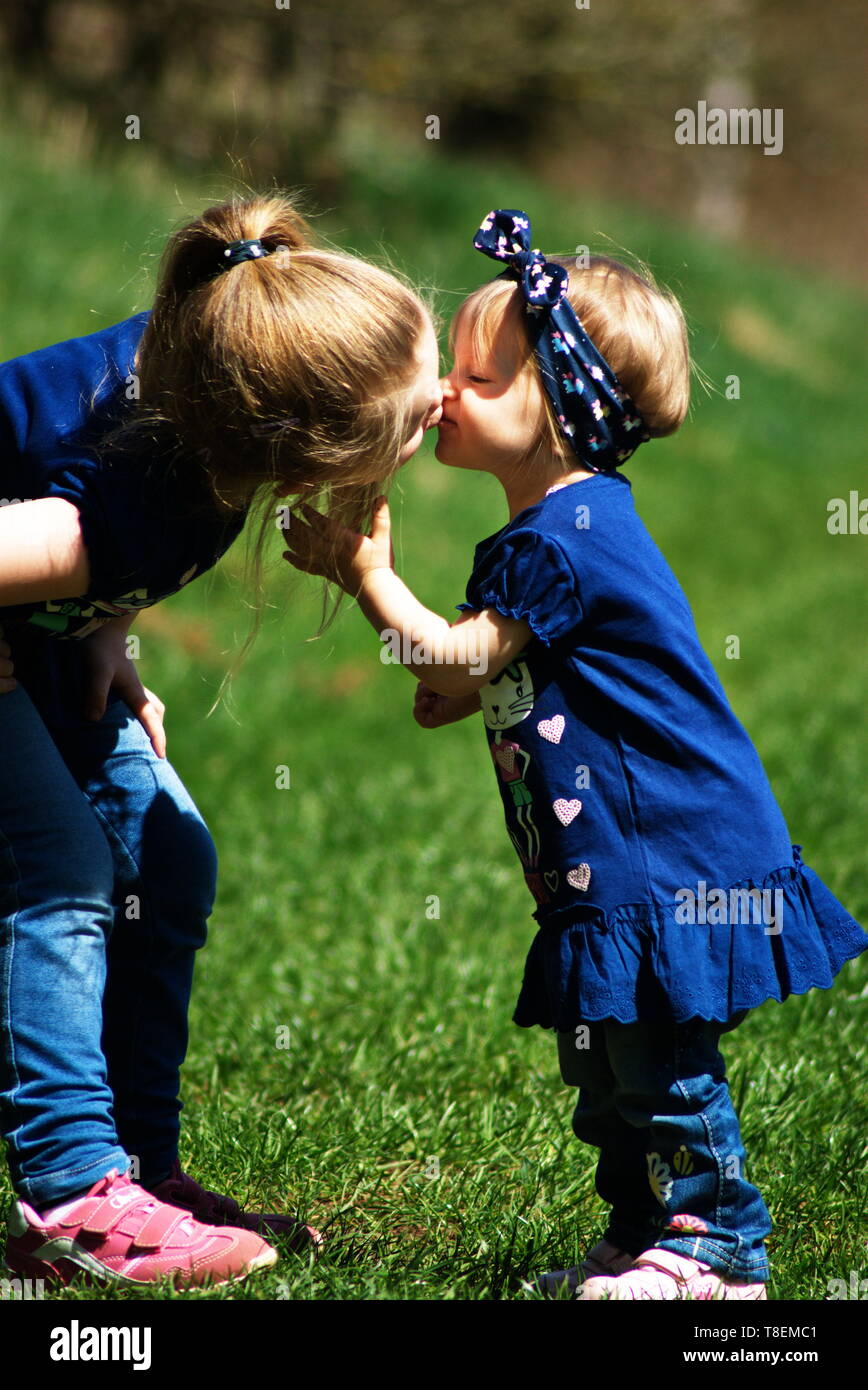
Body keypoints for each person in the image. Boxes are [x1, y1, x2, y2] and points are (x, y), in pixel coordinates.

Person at [281, 208, 867, 1300]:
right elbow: (456, 679)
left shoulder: (566, 539)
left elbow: (455, 657)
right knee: (603, 1071)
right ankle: (641, 1228)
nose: (446, 391)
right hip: (604, 863)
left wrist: (364, 578)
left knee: (658, 1067)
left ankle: (719, 1250)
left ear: (560, 409)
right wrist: (441, 673)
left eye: (479, 375)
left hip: (664, 856)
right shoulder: (552, 536)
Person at [0, 193, 443, 1288]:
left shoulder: (219, 367)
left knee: (167, 853)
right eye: (413, 413)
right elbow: (75, 515)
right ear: (302, 463)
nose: (440, 405)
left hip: (40, 630)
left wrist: (107, 630)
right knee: (56, 870)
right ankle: (73, 1194)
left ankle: (141, 1165)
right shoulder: (114, 513)